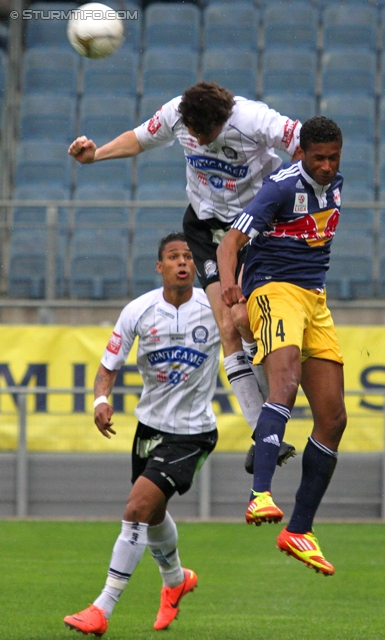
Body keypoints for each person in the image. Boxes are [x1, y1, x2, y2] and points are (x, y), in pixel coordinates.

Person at [68, 81, 299, 470]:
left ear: (223, 120)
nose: (194, 138)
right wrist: (96, 156)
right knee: (228, 322)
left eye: (202, 134)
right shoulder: (177, 113)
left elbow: (304, 145)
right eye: (190, 132)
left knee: (248, 323)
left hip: (255, 229)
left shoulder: (254, 119)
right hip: (206, 229)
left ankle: (272, 416)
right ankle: (265, 435)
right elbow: (139, 139)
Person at [63, 232, 220, 636]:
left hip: (193, 433)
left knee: (135, 509)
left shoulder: (214, 307)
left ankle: (102, 608)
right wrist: (101, 401)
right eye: (173, 256)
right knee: (152, 515)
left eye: (188, 256)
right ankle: (175, 581)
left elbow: (247, 349)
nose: (183, 262)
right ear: (160, 266)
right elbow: (108, 365)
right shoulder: (139, 310)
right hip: (149, 427)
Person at [216, 116, 347, 576]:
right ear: (303, 154)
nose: (327, 166)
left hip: (315, 300)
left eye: (334, 157)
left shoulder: (335, 186)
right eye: (319, 158)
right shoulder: (280, 188)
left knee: (333, 417)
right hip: (274, 290)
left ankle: (300, 530)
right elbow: (229, 242)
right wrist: (232, 286)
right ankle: (260, 495)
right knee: (285, 381)